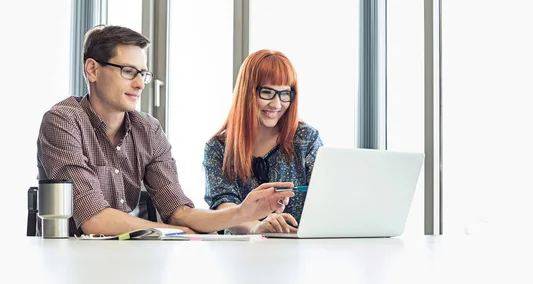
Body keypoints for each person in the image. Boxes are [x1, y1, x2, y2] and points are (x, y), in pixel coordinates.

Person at [37, 25, 294, 237]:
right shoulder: (63, 122)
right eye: (128, 72)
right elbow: (94, 220)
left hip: (123, 261)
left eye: (142, 74)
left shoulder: (148, 129)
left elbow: (180, 211)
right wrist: (177, 232)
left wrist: (242, 212)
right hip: (69, 262)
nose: (139, 84)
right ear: (92, 69)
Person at [204, 49, 323, 234]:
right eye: (267, 92)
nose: (276, 104)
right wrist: (257, 228)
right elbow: (224, 206)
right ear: (247, 92)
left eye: (285, 94)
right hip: (240, 253)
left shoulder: (306, 139)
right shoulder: (218, 147)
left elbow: (324, 198)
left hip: (299, 250)